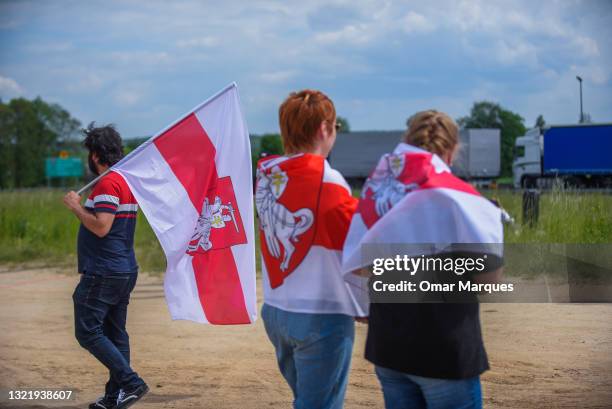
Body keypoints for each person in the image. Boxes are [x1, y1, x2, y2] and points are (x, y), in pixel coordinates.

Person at [342, 110, 504, 409]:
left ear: (407, 142)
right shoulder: (462, 200)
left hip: (388, 343)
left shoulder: (380, 193)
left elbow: (361, 265)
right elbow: (487, 280)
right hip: (444, 347)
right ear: (451, 149)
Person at [255, 89, 368, 409]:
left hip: (277, 311)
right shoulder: (328, 181)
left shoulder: (267, 178)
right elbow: (358, 251)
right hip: (321, 316)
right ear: (324, 129)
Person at [63, 123, 148, 409]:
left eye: (90, 153)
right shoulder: (125, 181)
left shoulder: (109, 183)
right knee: (115, 332)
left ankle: (130, 382)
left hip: (105, 271)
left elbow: (101, 226)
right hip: (122, 269)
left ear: (96, 155)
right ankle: (115, 396)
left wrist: (76, 206)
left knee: (87, 331)